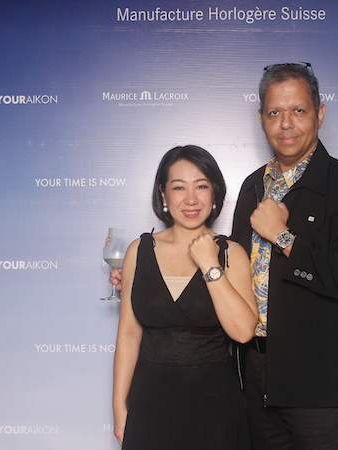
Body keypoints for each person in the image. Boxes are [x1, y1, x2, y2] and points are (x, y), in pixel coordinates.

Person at [230, 62, 338, 450]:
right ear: (261, 118)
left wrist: (283, 237)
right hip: (258, 377)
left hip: (325, 386)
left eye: (298, 110)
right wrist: (148, 275)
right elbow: (231, 274)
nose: (286, 124)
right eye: (274, 112)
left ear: (320, 113)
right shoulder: (252, 187)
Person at [112, 145, 257, 450]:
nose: (191, 199)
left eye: (201, 186)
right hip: (150, 402)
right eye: (179, 187)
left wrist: (210, 265)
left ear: (215, 193)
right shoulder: (139, 251)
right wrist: (119, 406)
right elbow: (128, 333)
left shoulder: (231, 253)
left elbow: (243, 332)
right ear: (163, 194)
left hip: (215, 407)